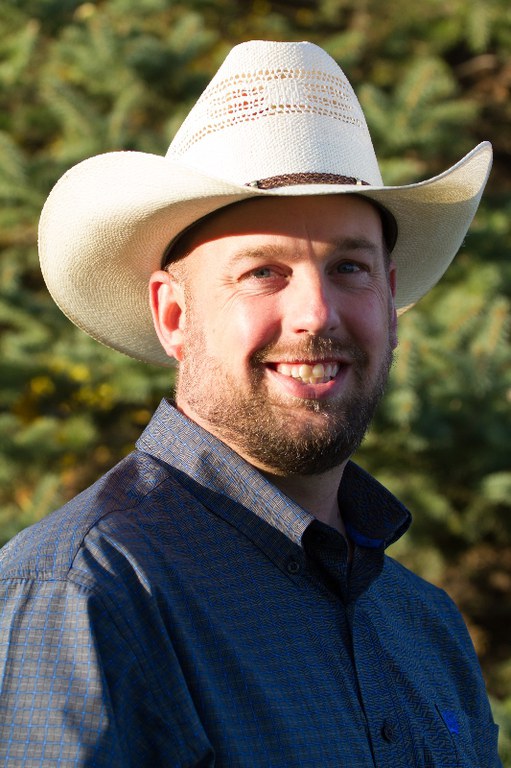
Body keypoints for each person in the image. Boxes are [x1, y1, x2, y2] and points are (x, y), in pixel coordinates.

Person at [0, 40, 501, 768]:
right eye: (263, 271)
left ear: (390, 299)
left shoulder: (424, 626)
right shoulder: (82, 597)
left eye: (349, 268)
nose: (316, 314)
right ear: (174, 316)